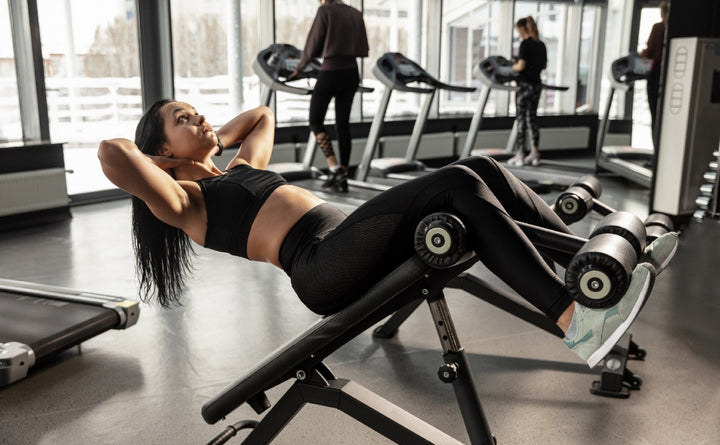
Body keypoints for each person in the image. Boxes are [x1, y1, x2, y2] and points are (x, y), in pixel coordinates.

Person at [97, 100, 677, 368]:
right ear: (163, 150)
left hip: (350, 238)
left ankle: (591, 268)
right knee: (455, 183)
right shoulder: (186, 202)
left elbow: (260, 115)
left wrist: (208, 140)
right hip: (322, 266)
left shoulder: (239, 168)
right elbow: (112, 150)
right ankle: (575, 319)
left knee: (483, 169)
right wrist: (160, 158)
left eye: (195, 110)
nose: (198, 116)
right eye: (183, 117)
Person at [288, 0, 369, 193]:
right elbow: (363, 45)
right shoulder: (355, 12)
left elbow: (313, 42)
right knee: (343, 124)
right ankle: (344, 174)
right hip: (352, 73)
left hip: (331, 71)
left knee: (315, 121)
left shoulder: (325, 11)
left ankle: (333, 167)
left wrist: (300, 68)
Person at [509, 16, 547, 167]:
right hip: (537, 85)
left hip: (524, 85)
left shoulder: (525, 44)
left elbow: (521, 66)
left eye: (518, 31)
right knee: (532, 118)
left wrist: (512, 66)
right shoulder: (541, 44)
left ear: (522, 29)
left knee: (521, 119)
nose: (518, 34)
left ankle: (519, 154)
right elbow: (543, 65)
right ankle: (535, 153)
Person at [640, 1, 669, 150]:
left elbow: (649, 52)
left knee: (655, 115)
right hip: (670, 77)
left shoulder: (658, 27)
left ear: (662, 12)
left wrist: (642, 55)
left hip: (656, 74)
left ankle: (657, 154)